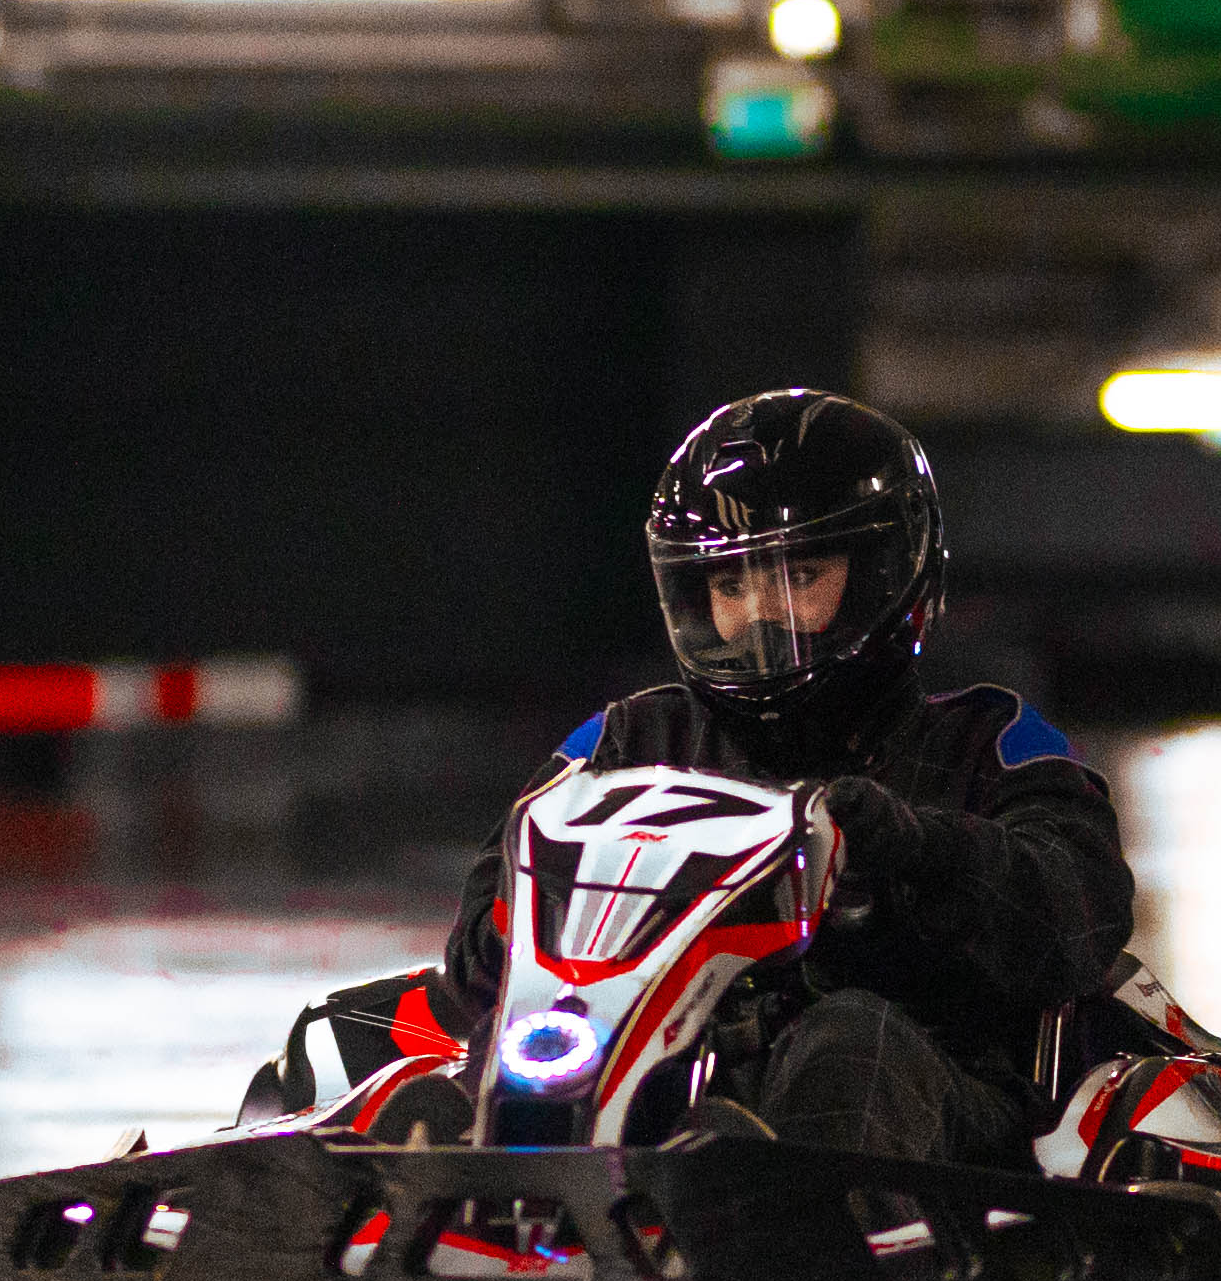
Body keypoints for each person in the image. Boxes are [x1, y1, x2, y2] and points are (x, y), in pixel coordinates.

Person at [442, 389, 1132, 1160]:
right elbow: (476, 962)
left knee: (849, 1040)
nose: (760, 618)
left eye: (798, 577)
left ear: (887, 573)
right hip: (668, 1083)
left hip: (936, 1115)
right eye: (732, 587)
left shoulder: (990, 739)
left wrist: (912, 850)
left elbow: (1081, 924)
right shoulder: (628, 740)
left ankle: (799, 1248)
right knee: (416, 1052)